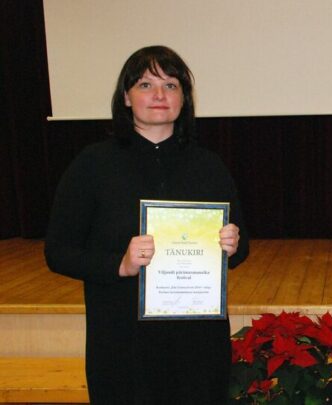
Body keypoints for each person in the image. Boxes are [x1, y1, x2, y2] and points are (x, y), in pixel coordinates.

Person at [45, 46, 249, 404]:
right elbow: (58, 252)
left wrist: (232, 245)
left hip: (198, 346)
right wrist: (119, 265)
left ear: (184, 98)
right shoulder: (93, 164)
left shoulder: (209, 166)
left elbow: (241, 249)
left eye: (171, 85)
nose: (159, 95)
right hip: (124, 345)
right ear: (126, 97)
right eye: (145, 84)